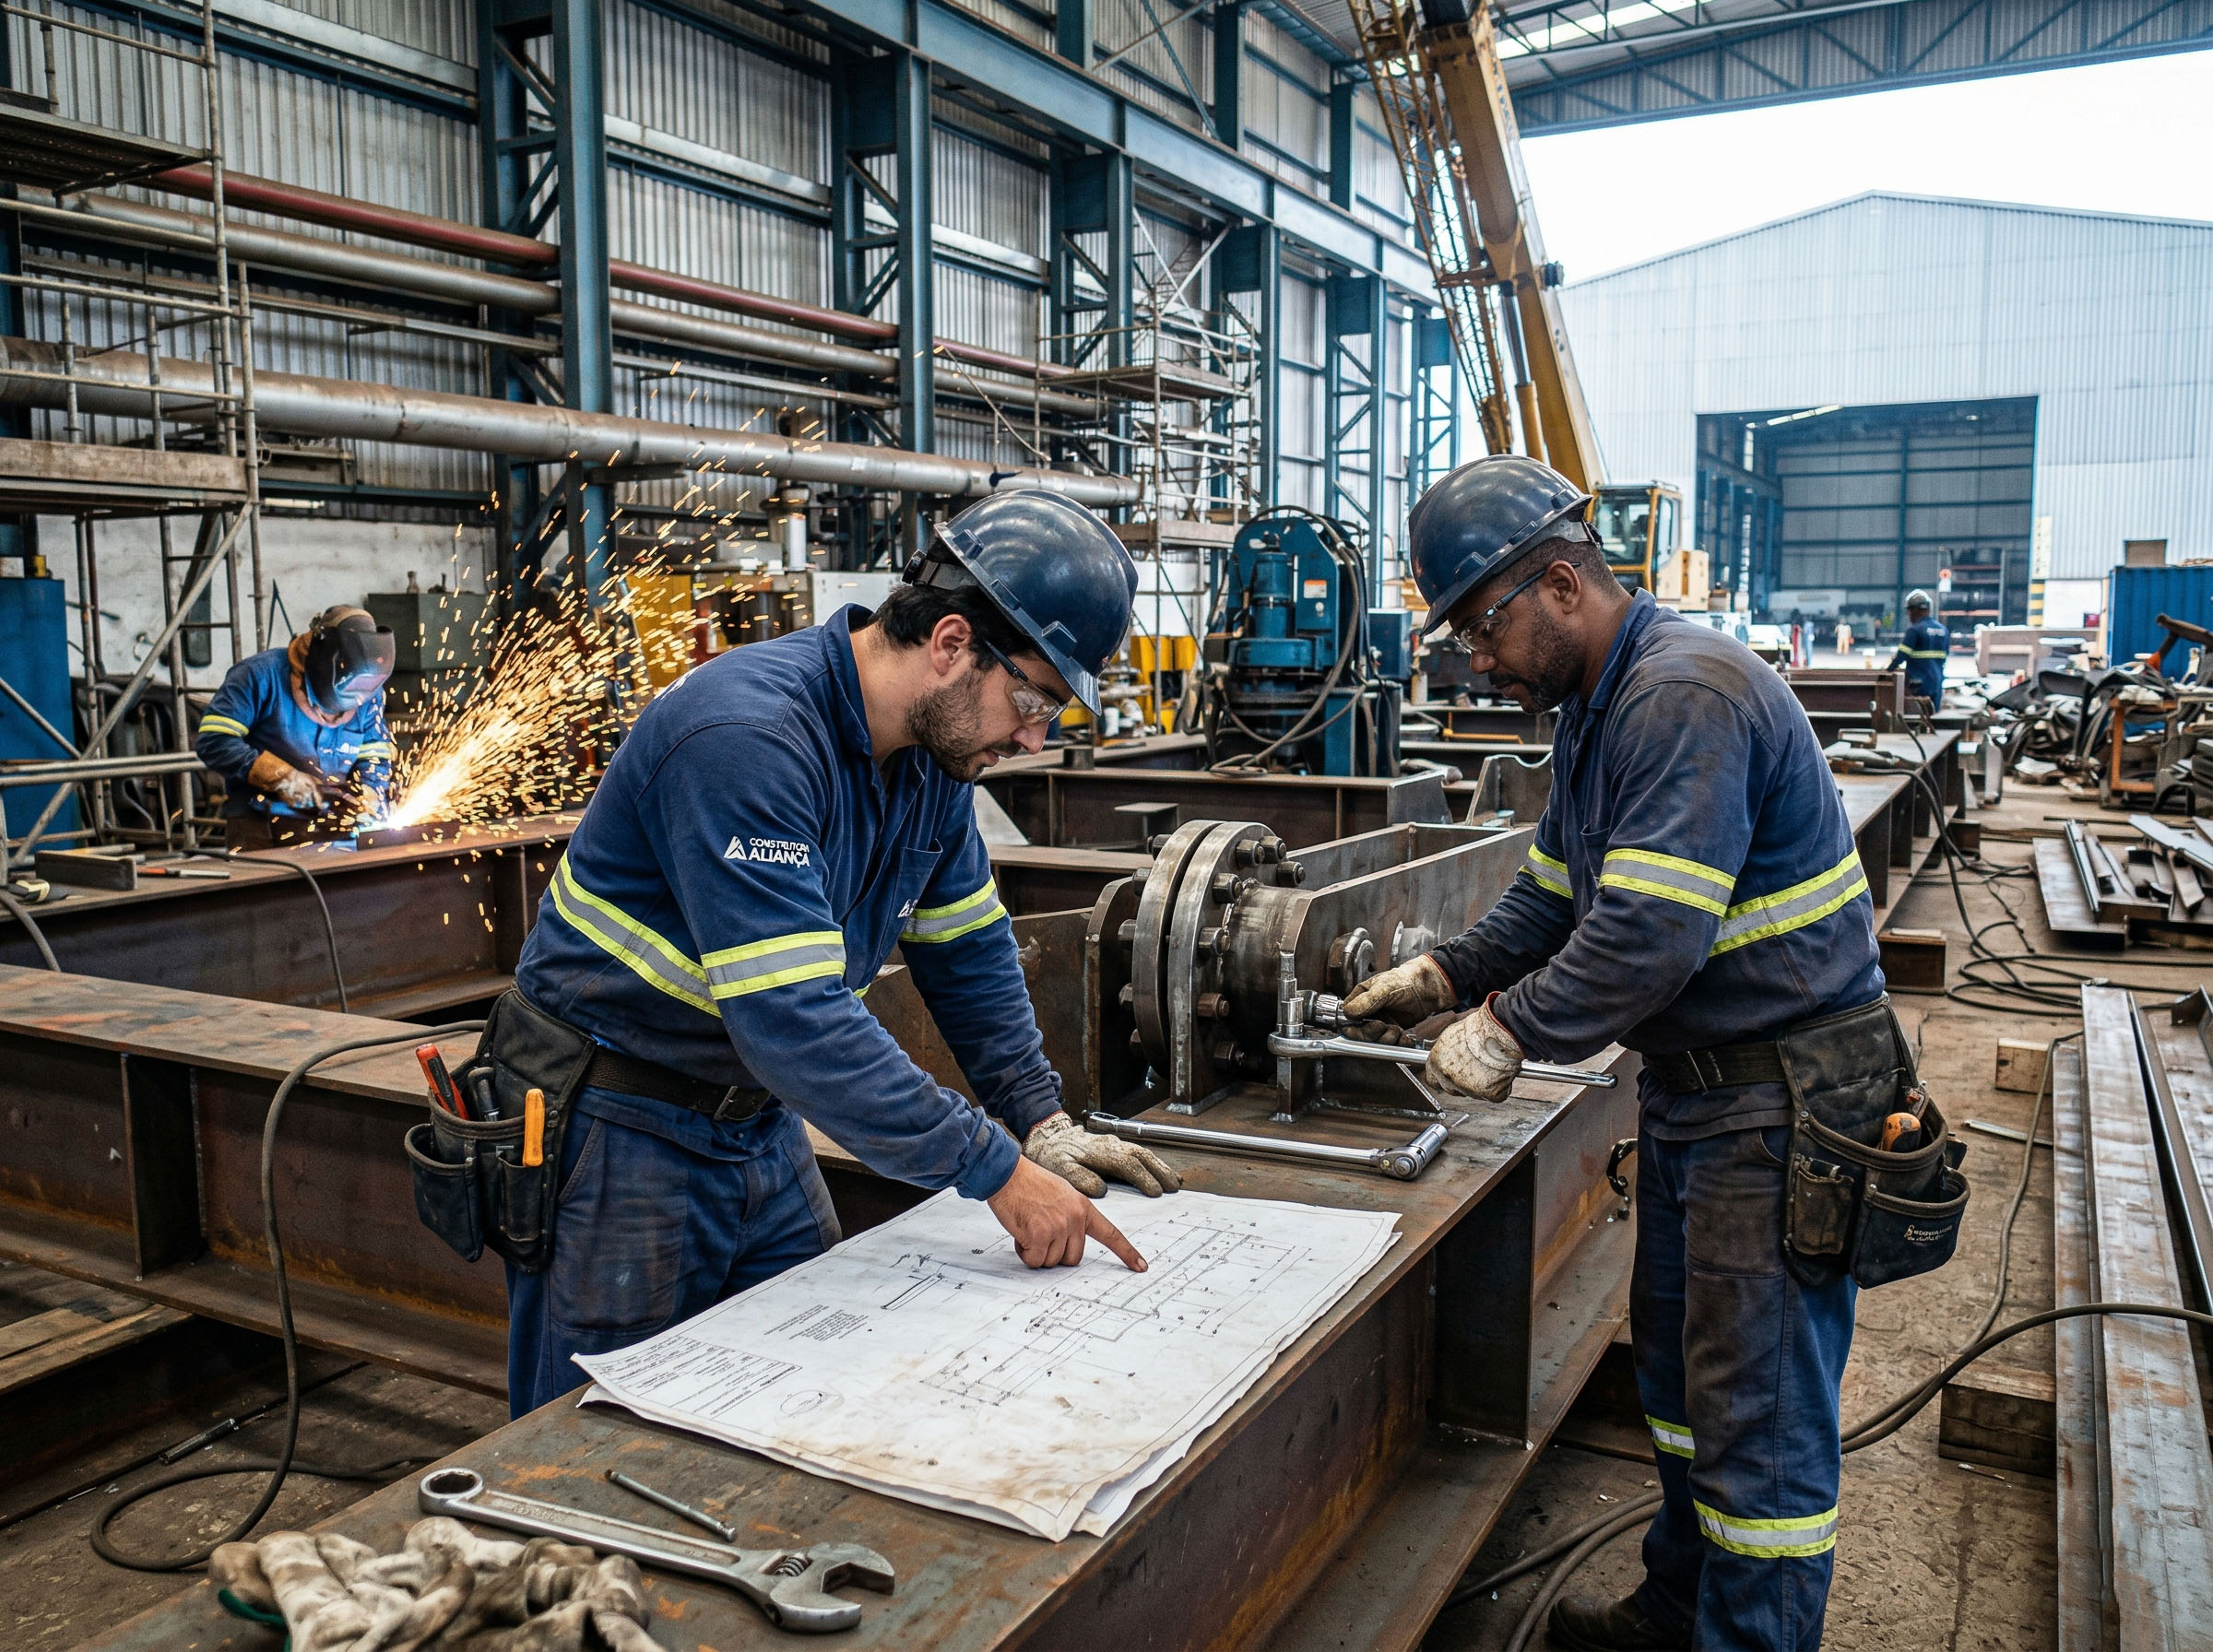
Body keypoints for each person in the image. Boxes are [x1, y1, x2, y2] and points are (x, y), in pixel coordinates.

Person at [1346, 455, 1899, 1652]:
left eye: (1480, 629)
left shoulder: (1681, 696)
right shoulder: (1598, 714)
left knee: (1758, 1434)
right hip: (1708, 1103)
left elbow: (1649, 936)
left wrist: (1508, 1032)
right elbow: (1553, 900)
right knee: (1687, 1393)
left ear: (1558, 583)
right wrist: (1444, 974)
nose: (1474, 661)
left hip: (1785, 1106)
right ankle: (1678, 1610)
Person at [502, 490, 1181, 1416]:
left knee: (814, 1395)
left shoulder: (932, 766)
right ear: (950, 643)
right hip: (620, 1129)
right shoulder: (747, 738)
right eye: (1032, 699)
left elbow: (969, 949)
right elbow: (792, 1018)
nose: (1032, 736)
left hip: (757, 1120)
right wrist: (994, 1170)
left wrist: (1039, 1121)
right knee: (593, 1439)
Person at [195, 605, 397, 848]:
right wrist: (281, 777)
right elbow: (213, 739)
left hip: (336, 829)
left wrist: (371, 791)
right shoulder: (259, 675)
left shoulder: (369, 689)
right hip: (261, 828)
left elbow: (375, 753)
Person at [1886, 589, 1949, 709]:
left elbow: (1901, 657)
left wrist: (1886, 673)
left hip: (1918, 685)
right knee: (1932, 717)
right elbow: (1945, 657)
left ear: (1914, 611)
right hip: (1937, 683)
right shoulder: (1943, 630)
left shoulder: (1914, 630)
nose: (1909, 615)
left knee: (1916, 718)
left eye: (1909, 611)